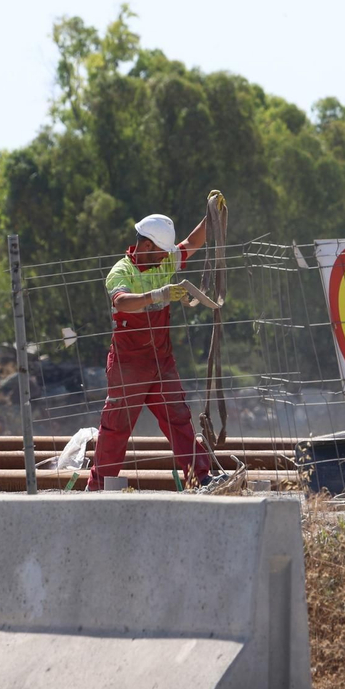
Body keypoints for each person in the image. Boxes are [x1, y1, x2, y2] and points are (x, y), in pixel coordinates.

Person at [87, 190, 225, 490]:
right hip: (128, 366)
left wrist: (211, 215)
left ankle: (202, 477)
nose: (167, 255)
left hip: (161, 362)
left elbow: (191, 243)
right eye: (162, 250)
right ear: (147, 245)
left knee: (179, 419)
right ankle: (97, 487)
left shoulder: (162, 261)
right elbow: (121, 302)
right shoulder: (120, 272)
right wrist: (157, 295)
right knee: (115, 430)